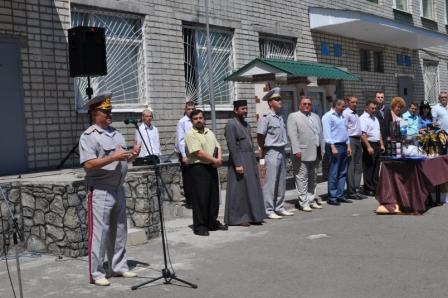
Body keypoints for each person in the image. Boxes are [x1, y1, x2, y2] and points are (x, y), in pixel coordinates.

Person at [79, 92, 140, 286]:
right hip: (101, 189)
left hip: (117, 187)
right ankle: (97, 273)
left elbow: (120, 157)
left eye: (110, 111)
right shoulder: (88, 136)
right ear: (95, 113)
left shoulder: (116, 133)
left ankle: (119, 266)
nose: (109, 114)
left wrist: (132, 156)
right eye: (106, 111)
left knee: (120, 229)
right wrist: (114, 158)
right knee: (100, 232)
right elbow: (88, 164)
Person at [185, 109, 227, 236]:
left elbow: (218, 146)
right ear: (192, 121)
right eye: (195, 118)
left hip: (211, 167)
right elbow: (198, 152)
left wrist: (219, 160)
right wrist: (215, 160)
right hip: (199, 168)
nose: (198, 120)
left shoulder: (210, 132)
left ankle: (211, 222)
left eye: (200, 118)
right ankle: (200, 226)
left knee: (213, 197)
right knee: (201, 198)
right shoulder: (190, 134)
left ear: (204, 119)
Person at [224, 100, 265, 226]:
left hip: (250, 159)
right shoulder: (231, 125)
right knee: (239, 190)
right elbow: (232, 146)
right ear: (235, 110)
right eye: (243, 109)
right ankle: (239, 218)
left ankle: (254, 215)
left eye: (246, 108)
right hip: (239, 160)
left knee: (251, 189)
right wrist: (237, 164)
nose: (245, 111)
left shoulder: (246, 125)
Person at [257, 87, 294, 219]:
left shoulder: (280, 117)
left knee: (281, 182)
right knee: (270, 182)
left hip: (282, 151)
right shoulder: (265, 118)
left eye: (280, 99)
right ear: (270, 102)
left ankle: (279, 207)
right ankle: (268, 209)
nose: (280, 101)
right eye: (277, 99)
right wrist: (262, 152)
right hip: (271, 151)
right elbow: (260, 137)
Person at [287, 96, 323, 212]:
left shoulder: (316, 117)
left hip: (315, 151)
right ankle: (303, 202)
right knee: (302, 178)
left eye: (309, 104)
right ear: (299, 105)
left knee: (313, 178)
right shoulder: (293, 116)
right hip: (301, 152)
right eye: (304, 104)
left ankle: (311, 200)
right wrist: (296, 150)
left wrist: (322, 149)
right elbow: (292, 135)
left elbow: (320, 134)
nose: (307, 106)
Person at [321, 99, 352, 206]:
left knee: (343, 172)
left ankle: (340, 194)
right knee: (334, 172)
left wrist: (348, 146)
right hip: (334, 146)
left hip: (343, 145)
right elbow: (327, 134)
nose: (344, 109)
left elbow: (345, 132)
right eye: (343, 106)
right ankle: (332, 196)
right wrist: (333, 147)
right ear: (336, 105)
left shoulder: (342, 116)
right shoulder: (327, 116)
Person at [342, 96, 366, 200]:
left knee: (358, 165)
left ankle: (356, 189)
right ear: (348, 103)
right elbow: (345, 128)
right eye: (353, 102)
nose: (355, 104)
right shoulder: (346, 113)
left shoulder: (355, 113)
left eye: (356, 102)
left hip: (358, 139)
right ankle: (351, 191)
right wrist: (347, 145)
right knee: (351, 166)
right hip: (350, 139)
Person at [359, 100, 385, 196]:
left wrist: (381, 144)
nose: (374, 110)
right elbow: (363, 134)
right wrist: (368, 146)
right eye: (372, 108)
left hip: (377, 143)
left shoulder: (375, 118)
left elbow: (379, 132)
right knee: (369, 167)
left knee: (376, 166)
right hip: (369, 143)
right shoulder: (363, 118)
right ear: (366, 108)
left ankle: (375, 186)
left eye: (375, 108)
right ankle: (368, 188)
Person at [175, 101, 196, 208]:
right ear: (185, 109)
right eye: (189, 109)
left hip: (195, 152)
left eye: (193, 109)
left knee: (195, 175)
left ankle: (196, 198)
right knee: (188, 177)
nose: (191, 111)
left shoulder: (196, 120)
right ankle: (190, 201)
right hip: (186, 153)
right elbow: (181, 140)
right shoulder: (182, 122)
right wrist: (184, 155)